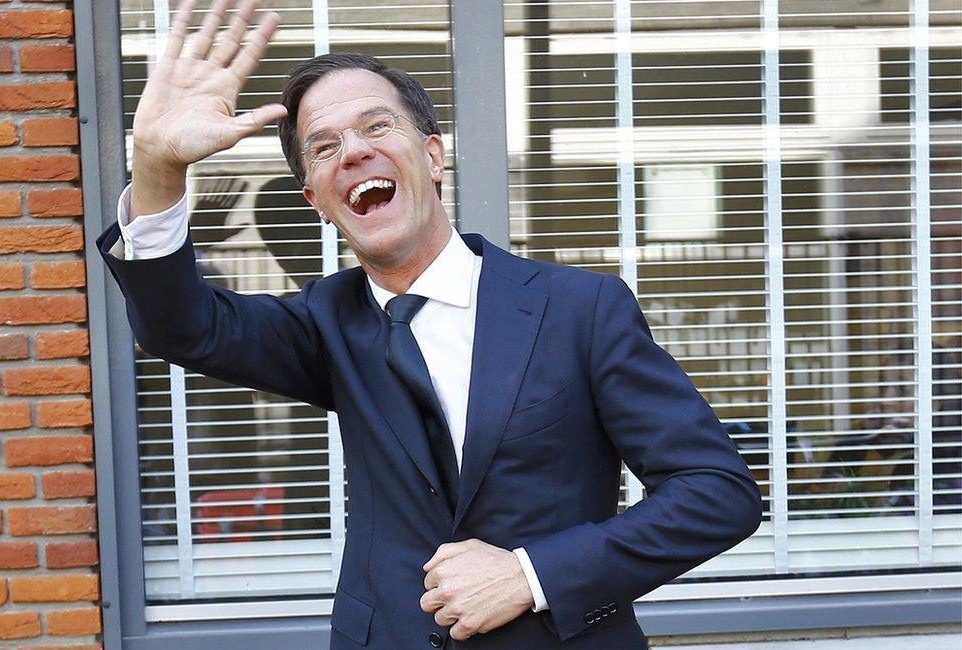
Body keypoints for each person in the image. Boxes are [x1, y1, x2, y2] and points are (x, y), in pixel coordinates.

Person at [97, 1, 762, 647]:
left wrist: (529, 575)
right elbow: (180, 328)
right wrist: (158, 166)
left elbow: (716, 493)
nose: (352, 152)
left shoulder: (578, 310)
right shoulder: (327, 324)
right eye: (323, 146)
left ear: (435, 156)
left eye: (377, 127)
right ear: (318, 202)